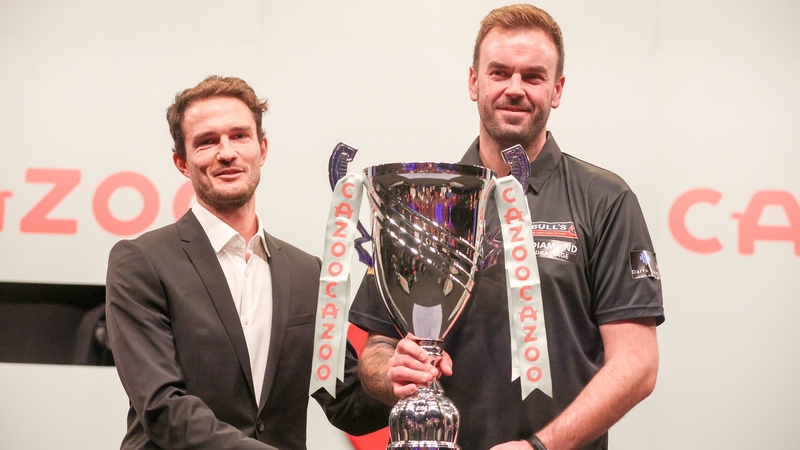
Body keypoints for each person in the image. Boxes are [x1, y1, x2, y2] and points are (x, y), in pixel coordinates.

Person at [351, 4, 664, 450]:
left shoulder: (605, 200)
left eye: (533, 76)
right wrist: (391, 371)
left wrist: (541, 446)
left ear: (556, 90)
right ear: (474, 82)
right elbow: (376, 350)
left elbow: (637, 364)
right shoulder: (420, 201)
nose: (514, 88)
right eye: (499, 72)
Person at [105, 75, 390, 449]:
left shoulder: (309, 274)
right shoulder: (141, 262)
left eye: (239, 136)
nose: (226, 152)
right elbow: (162, 408)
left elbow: (347, 403)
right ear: (181, 162)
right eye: (207, 141)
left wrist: (396, 385)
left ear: (263, 148)